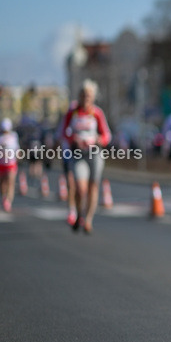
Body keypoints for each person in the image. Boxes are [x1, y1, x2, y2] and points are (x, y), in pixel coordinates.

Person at [60, 80, 112, 234]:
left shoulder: (97, 113)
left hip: (94, 153)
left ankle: (88, 220)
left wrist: (98, 140)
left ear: (93, 97)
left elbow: (107, 135)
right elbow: (63, 132)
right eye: (83, 95)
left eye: (89, 96)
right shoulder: (73, 112)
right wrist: (73, 139)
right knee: (80, 188)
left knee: (93, 186)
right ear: (79, 96)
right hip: (77, 153)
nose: (86, 98)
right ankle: (78, 214)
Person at [0, 118, 20, 213]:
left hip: (11, 163)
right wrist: (0, 147)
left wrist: (18, 156)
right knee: (2, 183)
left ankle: (8, 201)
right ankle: (3, 197)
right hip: (0, 163)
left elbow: (16, 148)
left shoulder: (14, 136)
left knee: (11, 182)